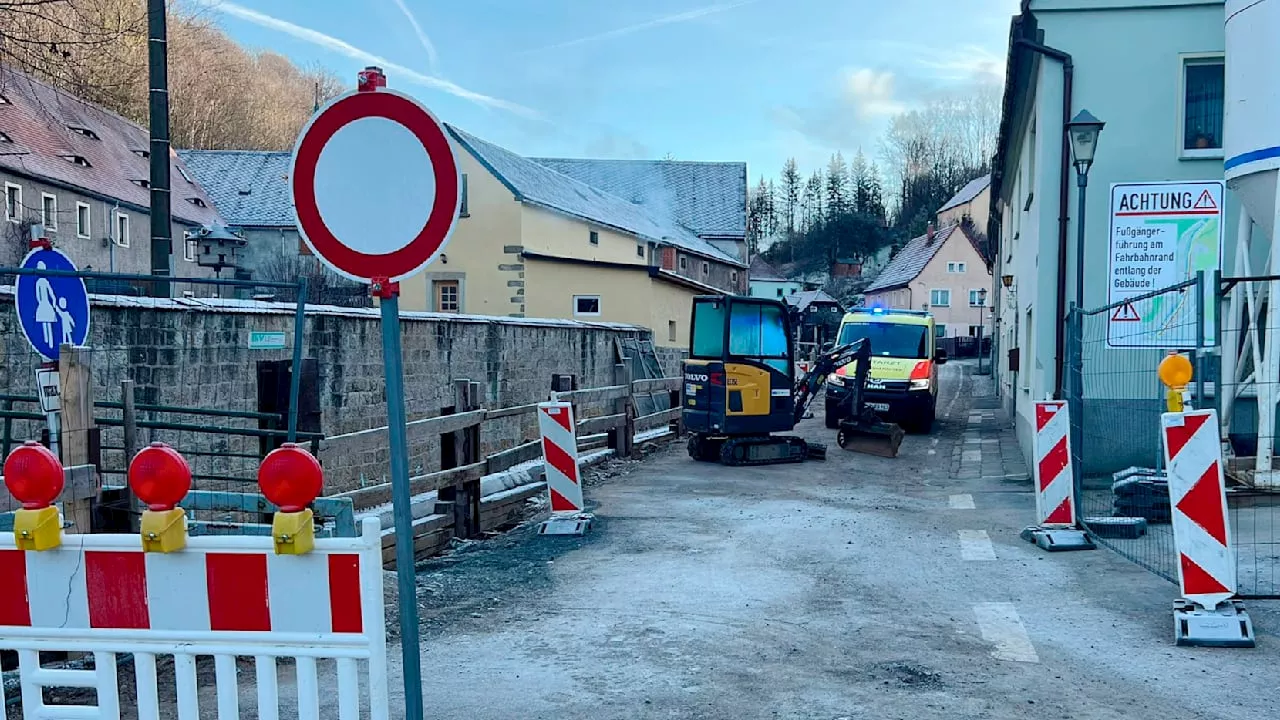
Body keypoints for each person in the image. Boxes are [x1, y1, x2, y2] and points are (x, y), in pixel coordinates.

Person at [33, 261, 57, 349]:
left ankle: (48, 342)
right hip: (46, 304)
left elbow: (38, 295)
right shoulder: (43, 282)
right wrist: (53, 302)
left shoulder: (40, 282)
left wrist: (41, 302)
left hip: (43, 304)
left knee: (46, 323)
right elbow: (51, 294)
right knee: (47, 323)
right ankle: (48, 343)